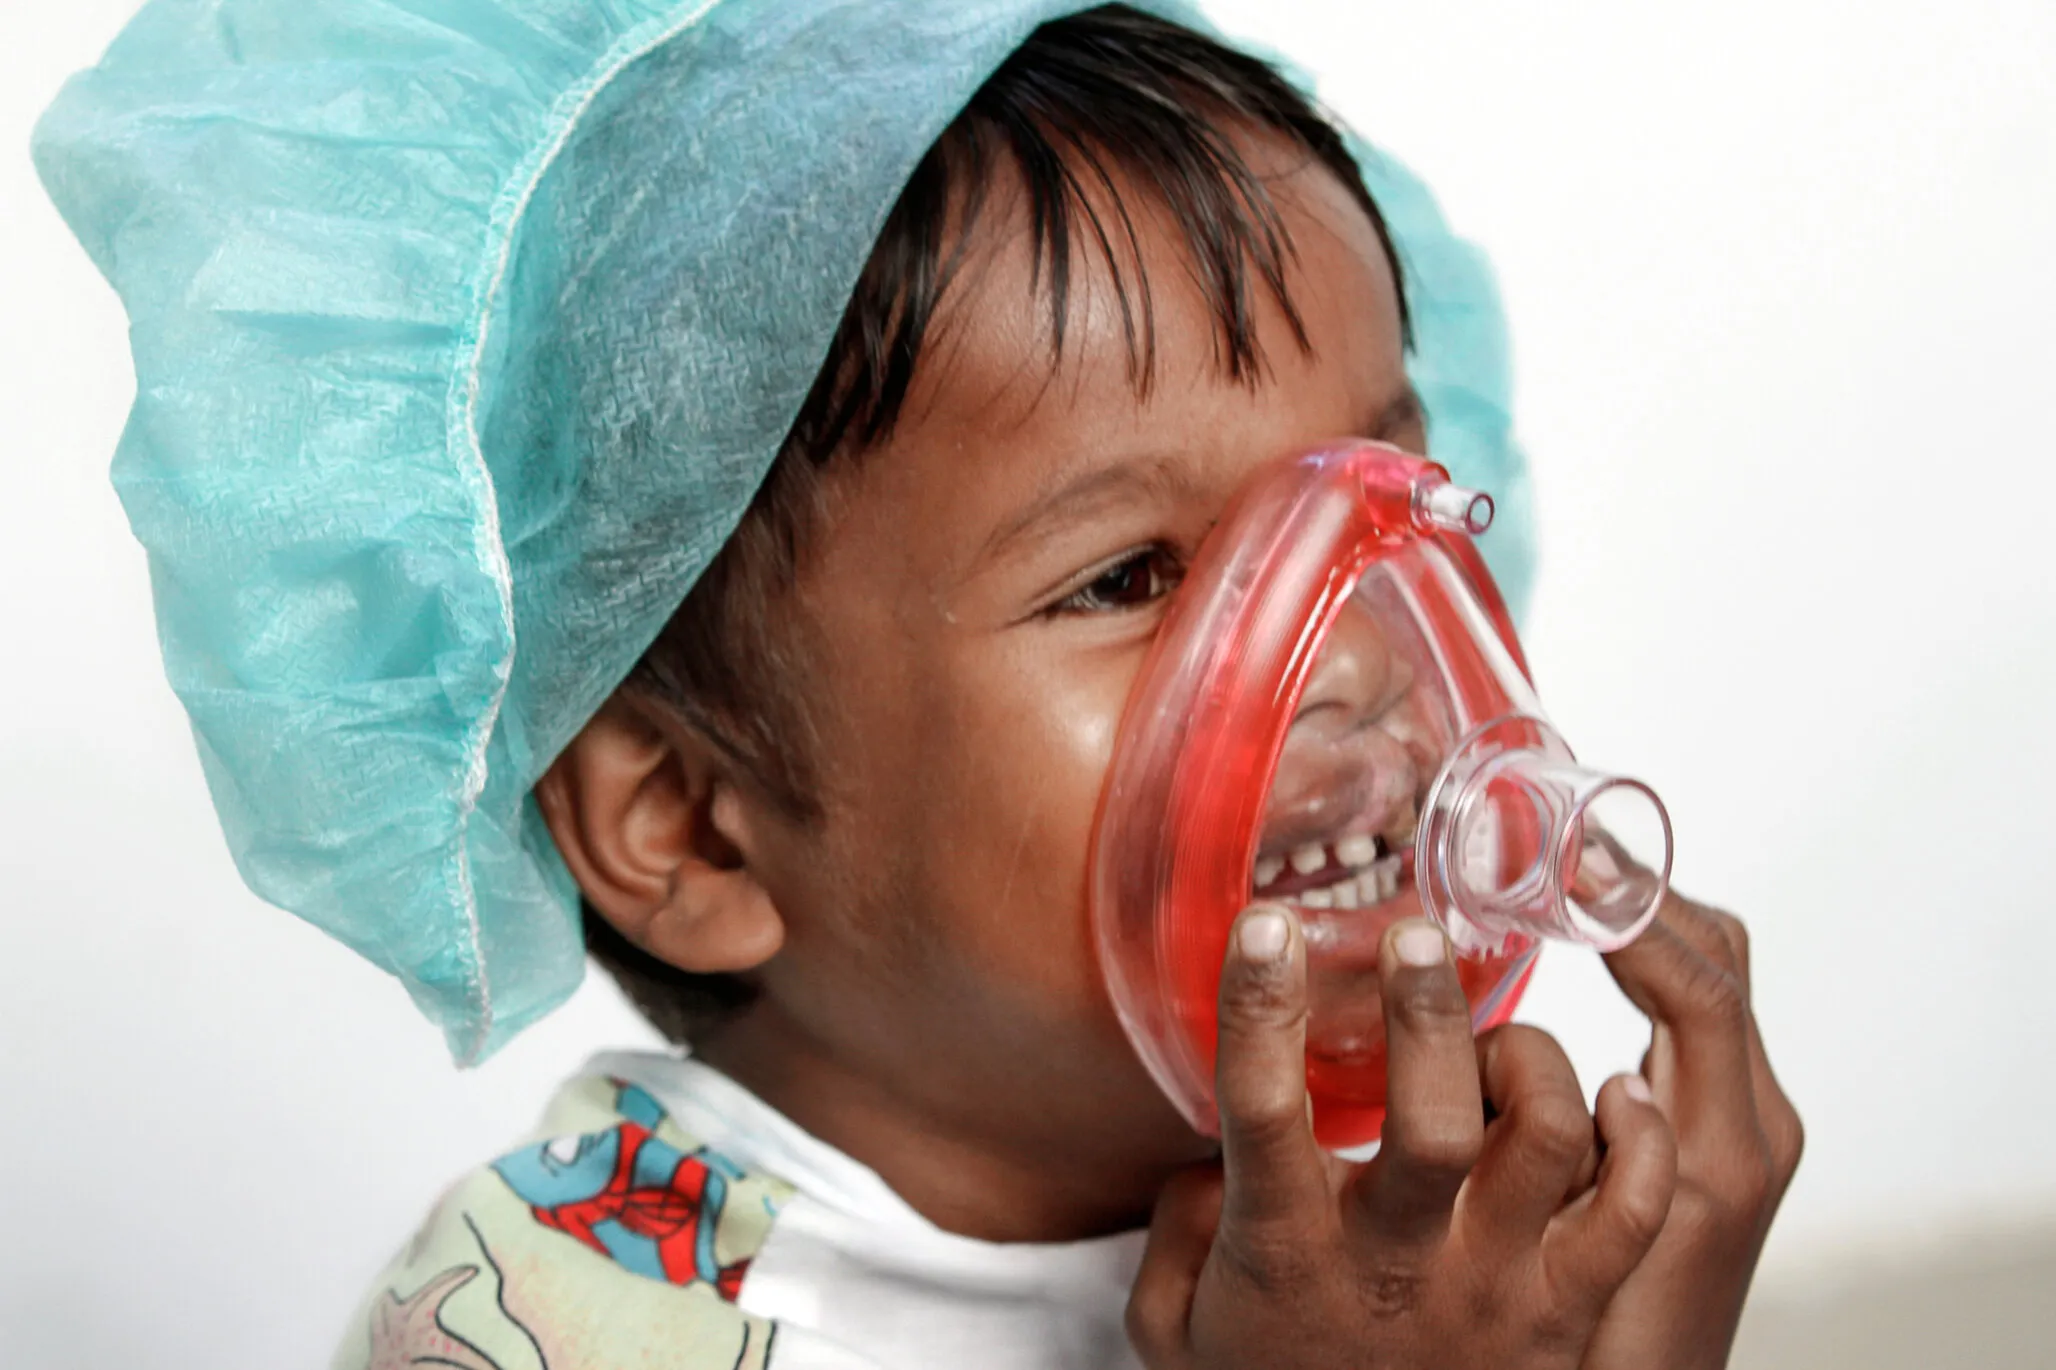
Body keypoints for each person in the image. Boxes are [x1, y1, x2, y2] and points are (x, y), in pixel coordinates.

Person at [34, 3, 1800, 1367]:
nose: (1354, 648)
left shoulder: (1424, 1229)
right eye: (1132, 575)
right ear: (693, 828)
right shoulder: (560, 1323)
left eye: (1387, 505)